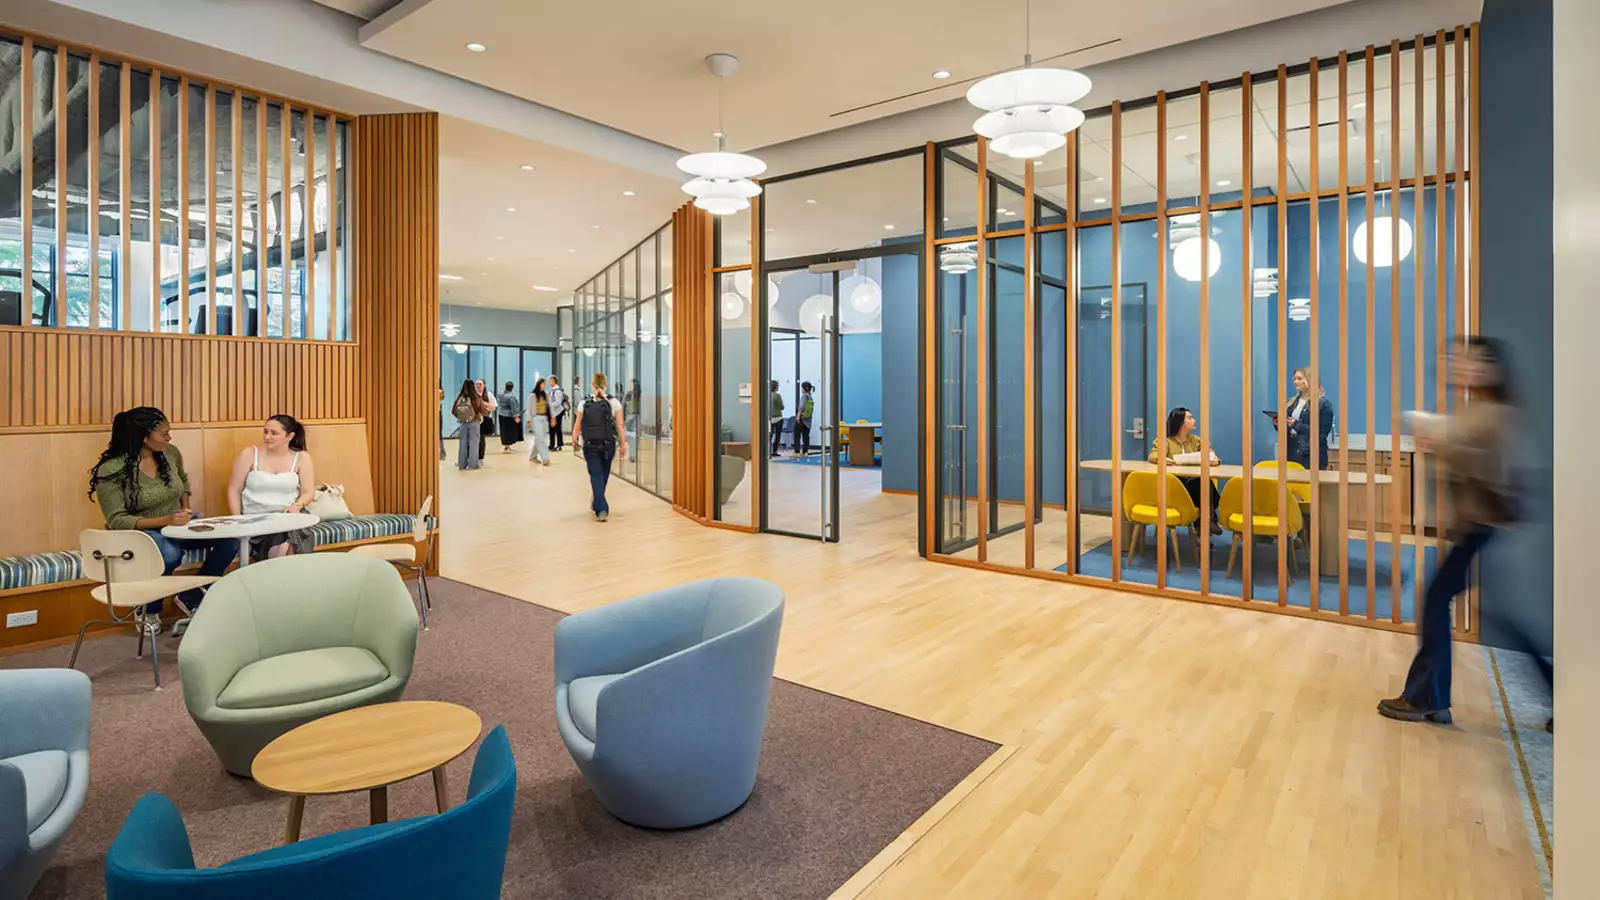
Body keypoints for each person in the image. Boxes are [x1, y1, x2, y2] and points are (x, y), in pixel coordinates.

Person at [1379, 337, 1547, 725]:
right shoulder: (1480, 410)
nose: (1458, 366)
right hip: (1478, 529)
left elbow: (1493, 469)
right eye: (1454, 359)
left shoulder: (1496, 414)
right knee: (1506, 619)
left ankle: (1426, 697)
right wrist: (1441, 443)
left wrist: (1442, 444)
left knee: (1436, 601)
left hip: (1482, 528)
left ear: (1491, 368)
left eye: (1469, 361)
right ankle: (1430, 696)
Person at [87, 407, 236, 625]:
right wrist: (165, 521)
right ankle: (147, 610)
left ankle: (192, 596)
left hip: (175, 526)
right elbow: (117, 520)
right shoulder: (111, 469)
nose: (169, 436)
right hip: (137, 532)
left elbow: (182, 481)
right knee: (169, 553)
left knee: (230, 540)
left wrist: (185, 508)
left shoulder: (170, 453)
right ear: (143, 436)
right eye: (164, 433)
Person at [226, 415, 316, 562]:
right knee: (283, 546)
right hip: (257, 520)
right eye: (265, 432)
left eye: (274, 433)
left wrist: (298, 505)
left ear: (290, 436)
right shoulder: (249, 454)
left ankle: (289, 577)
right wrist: (238, 520)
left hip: (288, 516)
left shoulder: (302, 458)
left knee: (293, 535)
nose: (267, 437)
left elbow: (308, 492)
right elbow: (234, 490)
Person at [1150, 406, 1223, 534]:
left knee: (1202, 484)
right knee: (1204, 485)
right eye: (1190, 418)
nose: (1194, 420)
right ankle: (1209, 521)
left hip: (1192, 485)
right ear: (1180, 422)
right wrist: (1161, 459)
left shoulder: (1196, 440)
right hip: (1173, 485)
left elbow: (1210, 452)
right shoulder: (1165, 440)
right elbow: (1153, 455)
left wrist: (1215, 459)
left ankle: (1205, 522)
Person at [575, 371, 627, 522]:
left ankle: (599, 505)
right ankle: (600, 505)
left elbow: (577, 425)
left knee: (596, 475)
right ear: (606, 384)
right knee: (603, 476)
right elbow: (620, 426)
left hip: (590, 445)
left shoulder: (583, 403)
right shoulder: (614, 403)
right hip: (608, 445)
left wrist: (574, 439)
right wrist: (623, 443)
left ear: (593, 385)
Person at [1273, 367, 1336, 470]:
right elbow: (1287, 430)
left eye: (1299, 378)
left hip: (1311, 455)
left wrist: (1296, 425)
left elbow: (1321, 434)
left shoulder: (1323, 405)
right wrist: (1278, 424)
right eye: (1294, 379)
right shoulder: (1290, 403)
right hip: (1291, 452)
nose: (1296, 382)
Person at [452, 379, 484, 470]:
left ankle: (462, 464)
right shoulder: (475, 396)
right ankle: (473, 464)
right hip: (475, 422)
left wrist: (461, 417)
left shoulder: (460, 397)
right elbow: (481, 408)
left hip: (463, 423)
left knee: (463, 442)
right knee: (474, 442)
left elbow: (453, 410)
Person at [527, 377, 552, 467]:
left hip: (544, 417)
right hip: (535, 417)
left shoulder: (546, 394)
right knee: (540, 439)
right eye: (543, 384)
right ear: (539, 384)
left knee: (540, 438)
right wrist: (528, 420)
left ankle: (533, 456)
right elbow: (529, 409)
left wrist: (553, 417)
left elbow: (550, 406)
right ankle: (545, 458)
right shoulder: (532, 395)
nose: (544, 386)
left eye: (545, 384)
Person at [497, 381, 524, 453]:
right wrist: (517, 417)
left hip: (501, 415)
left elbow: (501, 392)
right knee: (509, 432)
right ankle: (508, 448)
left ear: (505, 386)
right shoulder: (511, 397)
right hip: (509, 417)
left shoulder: (500, 394)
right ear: (512, 388)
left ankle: (506, 447)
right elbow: (514, 409)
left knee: (504, 432)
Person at [473, 379, 497, 462]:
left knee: (481, 439)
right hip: (473, 419)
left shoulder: (489, 395)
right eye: (477, 384)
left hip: (483, 420)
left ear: (484, 385)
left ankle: (480, 458)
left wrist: (483, 403)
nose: (478, 386)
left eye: (480, 384)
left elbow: (493, 407)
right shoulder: (472, 395)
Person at [548, 378, 568, 451]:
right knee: (551, 428)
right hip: (553, 412)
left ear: (553, 381)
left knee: (557, 428)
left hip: (558, 412)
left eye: (550, 380)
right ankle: (551, 444)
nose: (549, 382)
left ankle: (559, 444)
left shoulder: (557, 391)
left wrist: (550, 405)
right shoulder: (551, 391)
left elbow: (558, 402)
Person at [796, 381, 816, 457]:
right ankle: (805, 452)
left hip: (802, 418)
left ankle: (797, 451)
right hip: (808, 419)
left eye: (802, 387)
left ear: (805, 388)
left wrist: (798, 416)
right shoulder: (810, 396)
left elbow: (801, 406)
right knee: (806, 436)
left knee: (797, 435)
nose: (801, 389)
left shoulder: (804, 396)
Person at [768, 380, 785, 457]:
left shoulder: (766, 395)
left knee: (769, 435)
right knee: (777, 435)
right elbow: (782, 407)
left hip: (769, 418)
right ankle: (774, 451)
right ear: (775, 387)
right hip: (778, 418)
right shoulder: (777, 395)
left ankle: (767, 451)